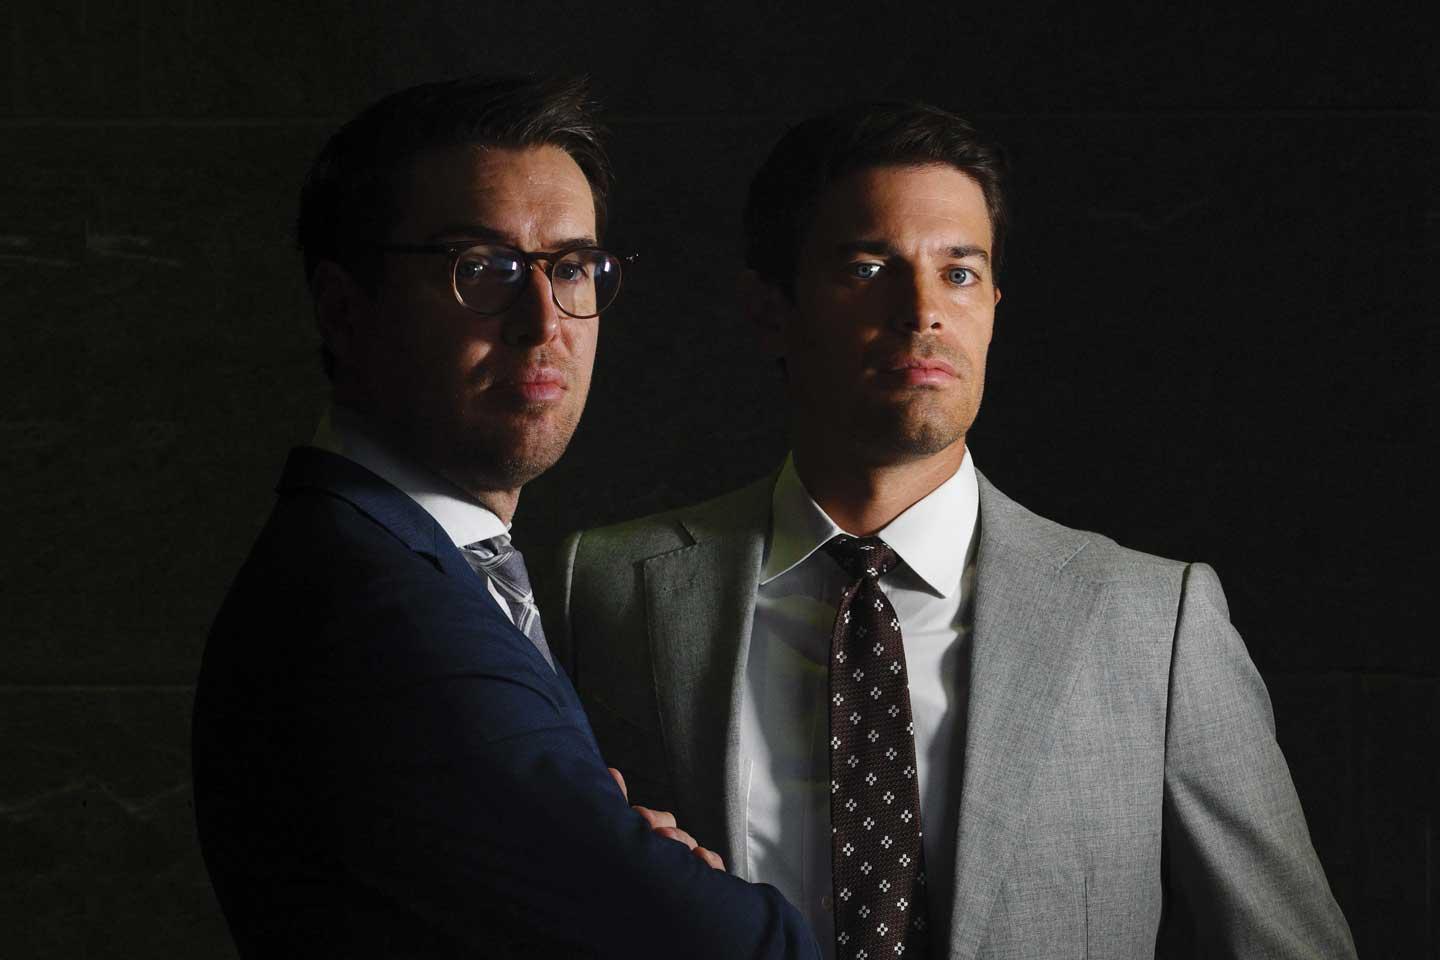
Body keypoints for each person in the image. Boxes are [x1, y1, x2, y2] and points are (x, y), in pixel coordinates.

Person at [557, 102, 1356, 959]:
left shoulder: (1153, 622)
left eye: (960, 273)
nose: (923, 312)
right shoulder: (603, 587)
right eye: (869, 268)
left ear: (995, 304)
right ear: (769, 311)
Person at [191, 75, 821, 960]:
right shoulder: (379, 612)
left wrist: (622, 855)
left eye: (569, 268)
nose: (543, 322)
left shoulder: (421, 564)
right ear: (344, 309)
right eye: (480, 269)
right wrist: (672, 877)